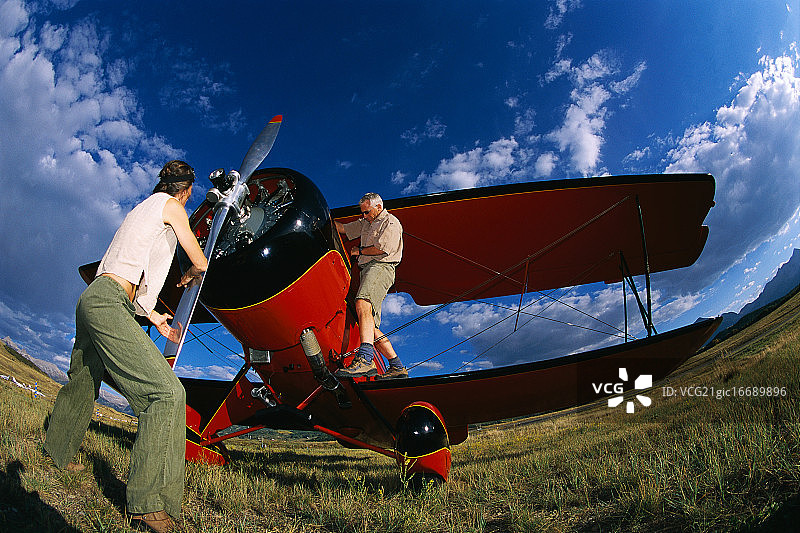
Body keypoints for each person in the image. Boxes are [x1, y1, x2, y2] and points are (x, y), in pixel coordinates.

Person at [44, 160, 208, 533]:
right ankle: (148, 505)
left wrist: (154, 317)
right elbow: (200, 258)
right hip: (108, 302)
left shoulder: (140, 210)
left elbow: (130, 268)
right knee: (166, 394)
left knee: (84, 379)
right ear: (185, 190)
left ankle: (57, 452)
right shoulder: (173, 206)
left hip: (93, 297)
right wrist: (196, 269)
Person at [335, 192, 408, 379]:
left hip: (381, 267)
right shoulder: (366, 222)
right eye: (362, 213)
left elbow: (383, 249)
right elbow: (342, 228)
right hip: (368, 269)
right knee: (370, 325)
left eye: (367, 212)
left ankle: (365, 360)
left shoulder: (391, 222)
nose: (364, 216)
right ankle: (397, 366)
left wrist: (358, 250)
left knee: (362, 304)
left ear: (378, 207)